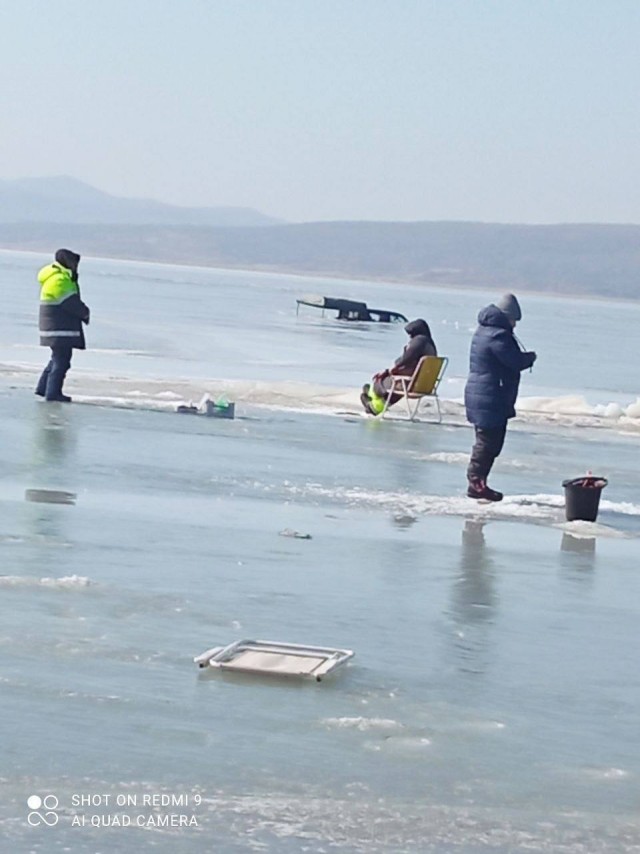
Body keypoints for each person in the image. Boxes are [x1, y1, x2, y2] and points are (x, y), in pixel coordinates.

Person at [464, 293, 536, 501]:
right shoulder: (498, 336)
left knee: (487, 441)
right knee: (488, 443)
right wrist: (530, 358)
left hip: (485, 393)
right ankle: (476, 483)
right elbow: (513, 361)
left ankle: (479, 482)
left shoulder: (484, 331)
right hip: (490, 395)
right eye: (514, 320)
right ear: (506, 317)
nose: (515, 325)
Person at [35, 249, 90, 402]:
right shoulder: (59, 279)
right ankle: (53, 393)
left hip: (57, 328)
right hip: (58, 328)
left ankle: (43, 389)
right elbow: (69, 302)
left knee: (57, 358)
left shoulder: (59, 277)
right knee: (62, 360)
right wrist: (84, 312)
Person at [360, 318, 437, 415]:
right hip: (425, 385)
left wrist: (391, 369)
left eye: (410, 334)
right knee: (393, 385)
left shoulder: (419, 341)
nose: (410, 337)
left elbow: (405, 359)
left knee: (379, 382)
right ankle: (374, 403)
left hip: (410, 385)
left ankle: (373, 405)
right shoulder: (430, 345)